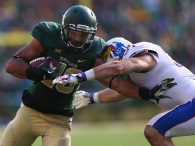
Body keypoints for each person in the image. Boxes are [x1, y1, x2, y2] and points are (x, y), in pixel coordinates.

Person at [53, 37, 195, 146]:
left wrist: (80, 77)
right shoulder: (136, 73)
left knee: (154, 130)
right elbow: (122, 91)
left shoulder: (138, 54)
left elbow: (119, 68)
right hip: (190, 103)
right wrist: (90, 98)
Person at [3, 5, 107, 146]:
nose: (77, 40)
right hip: (28, 113)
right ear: (64, 29)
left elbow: (114, 82)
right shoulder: (49, 34)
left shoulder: (94, 49)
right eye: (73, 33)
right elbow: (12, 65)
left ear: (92, 35)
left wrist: (139, 87)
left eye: (83, 35)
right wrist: (40, 74)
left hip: (59, 121)